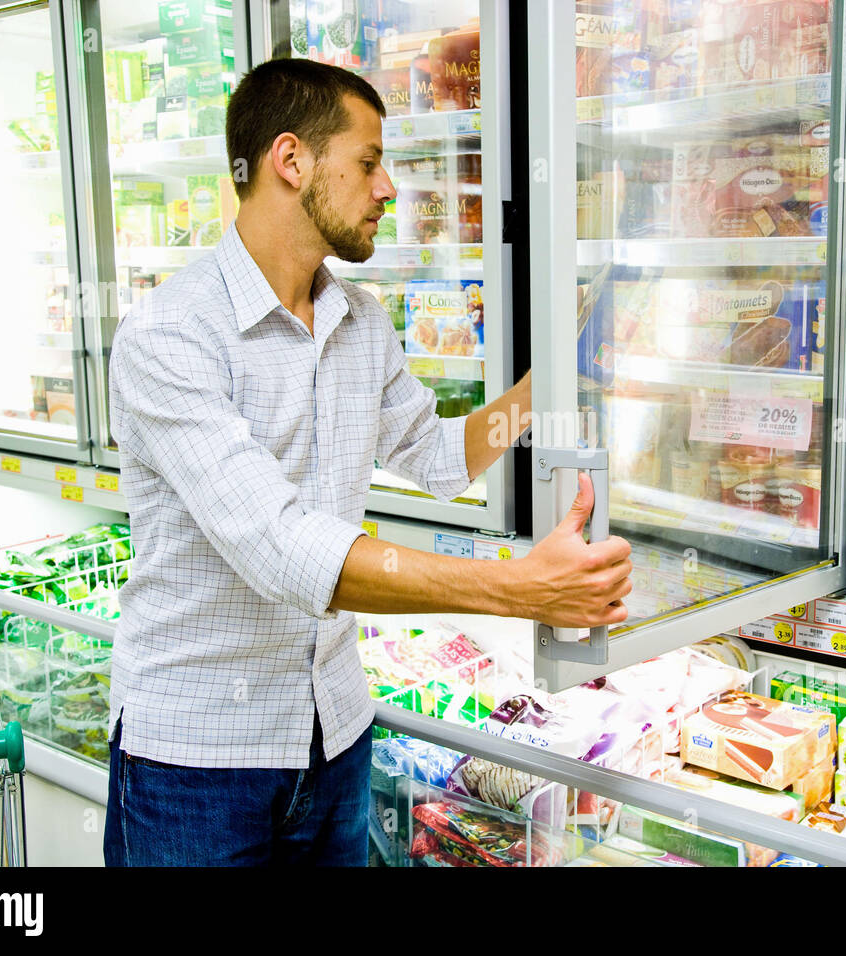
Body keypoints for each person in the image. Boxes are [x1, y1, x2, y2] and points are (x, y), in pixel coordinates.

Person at [103, 58, 631, 866]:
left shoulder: (360, 320)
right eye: (369, 161)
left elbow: (441, 457)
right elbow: (279, 544)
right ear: (292, 161)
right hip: (197, 764)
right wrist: (516, 588)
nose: (387, 187)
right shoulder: (171, 334)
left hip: (336, 737)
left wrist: (552, 378)